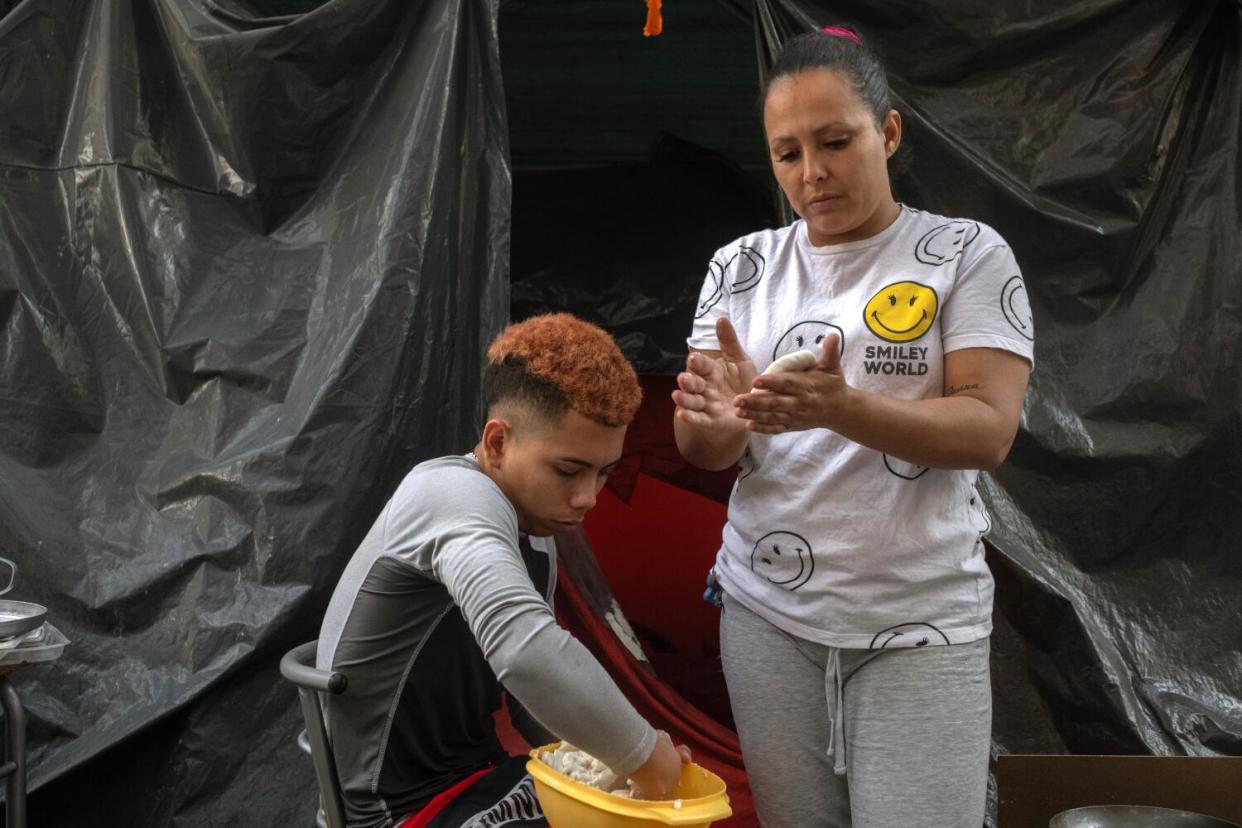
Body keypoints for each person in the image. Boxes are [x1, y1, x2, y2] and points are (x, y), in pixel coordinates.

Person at [672, 26, 1035, 828]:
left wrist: (845, 409)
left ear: (890, 132)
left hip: (921, 621)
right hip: (769, 619)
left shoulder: (963, 255)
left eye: (835, 141)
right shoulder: (741, 269)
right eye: (787, 153)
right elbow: (707, 451)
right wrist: (718, 418)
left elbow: (989, 429)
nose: (814, 173)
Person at [319, 313, 689, 828]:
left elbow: (528, 701)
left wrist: (611, 763)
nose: (589, 498)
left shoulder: (535, 527)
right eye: (567, 470)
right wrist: (642, 753)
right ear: (496, 443)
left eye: (604, 473)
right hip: (398, 814)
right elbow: (528, 650)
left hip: (482, 781)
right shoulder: (451, 495)